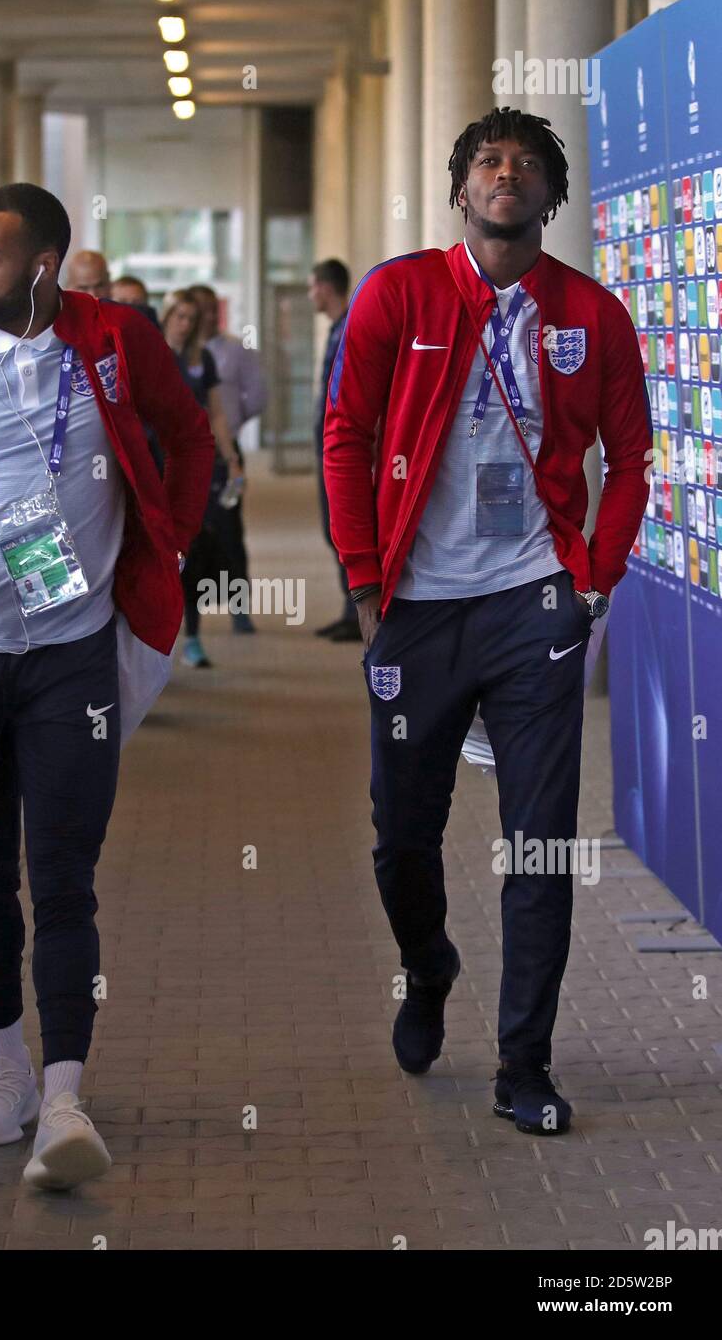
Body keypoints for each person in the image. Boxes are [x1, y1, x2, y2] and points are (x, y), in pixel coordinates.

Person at [0, 183, 214, 1190]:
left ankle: (64, 1093)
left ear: (44, 265)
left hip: (72, 649)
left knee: (62, 873)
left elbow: (187, 437)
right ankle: (5, 1068)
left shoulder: (113, 340)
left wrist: (172, 541)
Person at [323, 108, 651, 1135]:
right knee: (400, 840)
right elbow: (346, 432)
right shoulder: (400, 292)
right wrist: (367, 585)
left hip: (533, 604)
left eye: (526, 165)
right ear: (461, 191)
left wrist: (591, 577)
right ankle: (428, 968)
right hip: (416, 610)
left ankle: (524, 1063)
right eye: (485, 162)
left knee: (539, 843)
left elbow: (635, 457)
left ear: (550, 197)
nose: (504, 175)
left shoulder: (590, 314)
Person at [161, 288, 242, 668]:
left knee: (193, 551)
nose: (186, 324)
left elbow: (217, 414)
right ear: (167, 316)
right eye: (179, 316)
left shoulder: (201, 359)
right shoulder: (153, 354)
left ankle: (192, 636)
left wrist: (231, 457)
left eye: (191, 319)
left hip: (193, 465)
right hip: (156, 463)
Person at [189, 284, 267, 635]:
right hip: (187, 453)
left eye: (209, 309)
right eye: (197, 310)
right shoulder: (177, 353)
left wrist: (232, 423)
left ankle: (239, 608)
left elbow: (259, 395)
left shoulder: (236, 350)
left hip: (225, 453)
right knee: (190, 534)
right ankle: (189, 618)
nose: (204, 316)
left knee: (229, 530)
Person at [309, 259, 359, 641]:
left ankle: (357, 610)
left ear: (325, 288)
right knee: (333, 529)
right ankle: (349, 608)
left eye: (312, 287)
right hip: (326, 445)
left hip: (340, 447)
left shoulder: (349, 328)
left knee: (343, 527)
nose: (311, 295)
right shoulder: (336, 328)